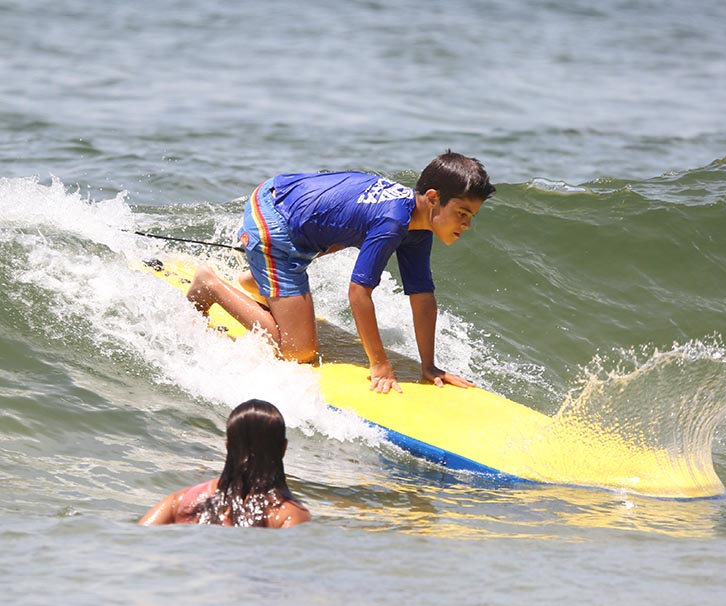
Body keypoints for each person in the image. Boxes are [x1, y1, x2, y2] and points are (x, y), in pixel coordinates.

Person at [186, 150, 496, 394]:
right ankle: (210, 284)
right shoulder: (392, 223)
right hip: (275, 218)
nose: (467, 224)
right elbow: (358, 294)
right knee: (300, 351)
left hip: (292, 206)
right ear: (432, 198)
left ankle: (257, 280)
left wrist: (429, 366)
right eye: (462, 213)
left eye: (471, 216)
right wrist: (379, 365)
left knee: (332, 241)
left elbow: (422, 297)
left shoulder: (417, 227)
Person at [139, 399, 311, 528]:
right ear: (284, 447)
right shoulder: (290, 515)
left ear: (228, 446)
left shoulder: (183, 501)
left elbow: (133, 542)